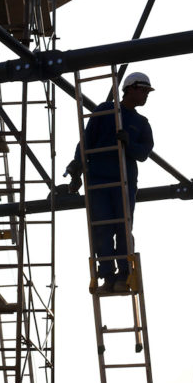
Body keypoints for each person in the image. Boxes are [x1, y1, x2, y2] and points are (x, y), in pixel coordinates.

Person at [65, 72, 155, 293]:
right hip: (98, 181)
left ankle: (124, 275)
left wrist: (129, 143)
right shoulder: (105, 111)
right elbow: (86, 140)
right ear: (130, 88)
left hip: (123, 181)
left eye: (146, 92)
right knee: (101, 228)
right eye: (143, 90)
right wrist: (77, 167)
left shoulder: (141, 123)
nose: (145, 95)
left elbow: (143, 152)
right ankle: (107, 276)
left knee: (123, 227)